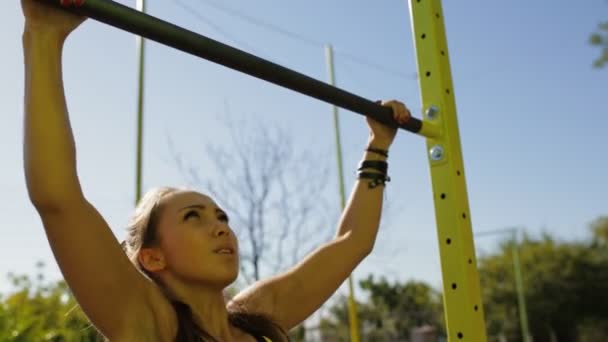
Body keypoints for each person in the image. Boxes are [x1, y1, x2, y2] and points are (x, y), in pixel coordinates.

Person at [21, 0, 412, 341]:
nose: (222, 227)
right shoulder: (147, 323)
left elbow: (353, 241)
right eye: (193, 217)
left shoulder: (260, 319)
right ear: (153, 258)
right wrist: (43, 34)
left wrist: (378, 146)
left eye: (220, 216)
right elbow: (57, 198)